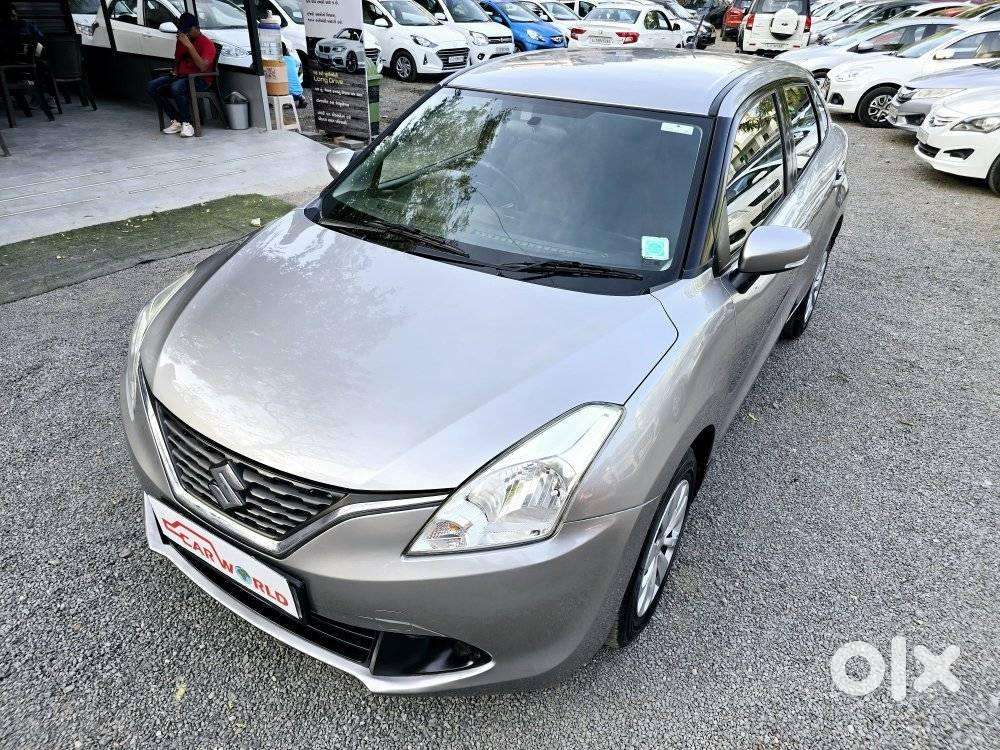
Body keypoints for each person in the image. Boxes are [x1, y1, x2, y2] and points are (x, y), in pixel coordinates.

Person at [147, 12, 216, 138]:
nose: (186, 35)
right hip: (181, 77)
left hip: (199, 79)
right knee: (152, 86)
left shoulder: (207, 44)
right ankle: (176, 119)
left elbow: (203, 66)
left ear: (196, 28)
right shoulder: (182, 41)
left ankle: (187, 123)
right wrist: (175, 70)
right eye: (183, 32)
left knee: (176, 88)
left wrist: (189, 46)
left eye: (188, 31)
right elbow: (177, 60)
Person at [281, 42, 307, 108]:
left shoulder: (278, 62)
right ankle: (301, 98)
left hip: (287, 94)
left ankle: (287, 102)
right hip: (299, 91)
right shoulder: (292, 59)